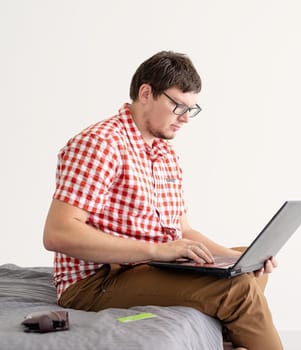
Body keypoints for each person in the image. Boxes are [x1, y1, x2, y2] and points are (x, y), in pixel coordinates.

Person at [43, 51, 282, 350]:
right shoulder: (100, 144)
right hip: (98, 280)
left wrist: (237, 261)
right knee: (239, 290)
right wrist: (158, 250)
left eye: (191, 109)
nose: (185, 119)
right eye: (178, 106)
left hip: (150, 267)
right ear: (146, 93)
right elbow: (58, 233)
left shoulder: (165, 153)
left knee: (244, 265)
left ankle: (227, 340)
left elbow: (183, 231)